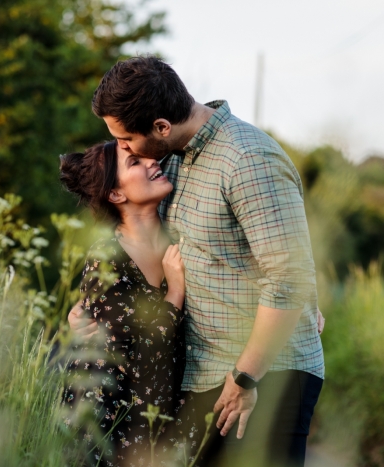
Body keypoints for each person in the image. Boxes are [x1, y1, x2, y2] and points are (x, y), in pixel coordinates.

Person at [68, 56, 325, 467]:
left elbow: (289, 274)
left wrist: (246, 376)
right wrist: (89, 305)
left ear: (162, 127)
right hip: (205, 376)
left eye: (127, 140)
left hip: (265, 376)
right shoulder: (171, 159)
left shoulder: (247, 158)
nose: (127, 149)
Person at [59, 141, 193, 466]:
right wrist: (175, 292)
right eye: (135, 162)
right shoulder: (106, 257)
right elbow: (138, 349)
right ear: (116, 194)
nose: (152, 161)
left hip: (162, 417)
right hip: (109, 425)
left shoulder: (185, 236)